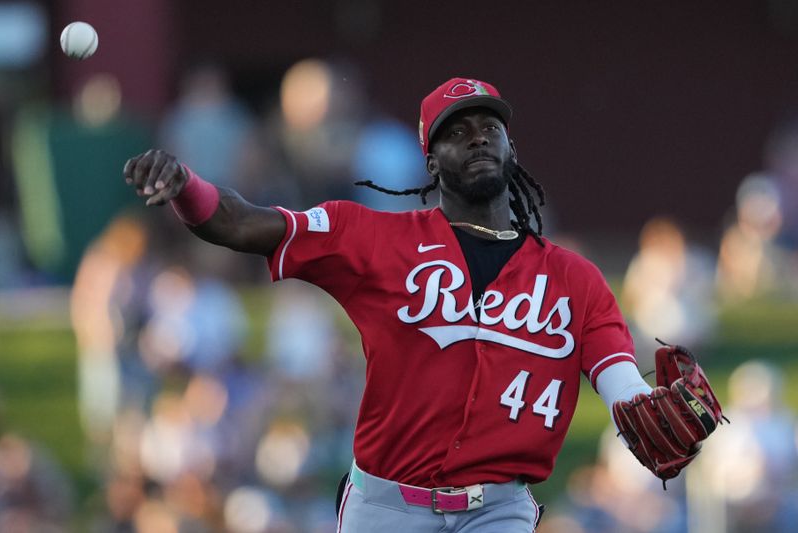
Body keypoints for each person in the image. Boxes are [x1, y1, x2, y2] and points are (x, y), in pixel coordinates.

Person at [124, 78, 712, 532]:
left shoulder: (575, 279)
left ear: (511, 148)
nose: (478, 135)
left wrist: (646, 411)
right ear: (431, 160)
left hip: (497, 509)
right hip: (387, 503)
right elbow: (247, 224)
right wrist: (187, 187)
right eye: (458, 130)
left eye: (490, 126)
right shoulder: (373, 238)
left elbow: (620, 382)